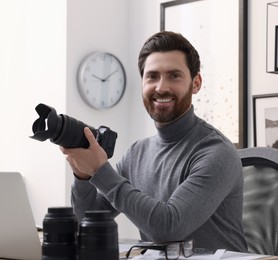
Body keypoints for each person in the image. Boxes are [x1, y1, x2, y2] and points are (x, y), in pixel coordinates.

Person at [61, 31, 248, 252]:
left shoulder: (216, 152)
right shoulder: (137, 153)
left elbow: (168, 228)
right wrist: (83, 175)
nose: (161, 87)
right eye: (152, 76)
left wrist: (100, 170)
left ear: (196, 83)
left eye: (174, 75)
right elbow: (87, 221)